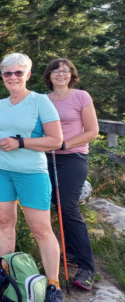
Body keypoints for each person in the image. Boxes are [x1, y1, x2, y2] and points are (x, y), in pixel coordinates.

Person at [0, 53, 65, 302]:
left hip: (32, 173)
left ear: (27, 75)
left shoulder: (40, 102)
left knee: (41, 229)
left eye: (18, 72)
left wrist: (20, 143)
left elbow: (56, 140)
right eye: (7, 73)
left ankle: (53, 284)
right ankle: (6, 271)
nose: (13, 77)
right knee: (4, 222)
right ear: (3, 76)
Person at [44, 58, 99, 291]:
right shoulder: (43, 100)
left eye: (65, 71)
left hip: (72, 156)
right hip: (45, 155)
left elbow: (92, 131)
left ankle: (87, 266)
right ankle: (64, 251)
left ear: (71, 74)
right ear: (49, 75)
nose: (60, 74)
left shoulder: (81, 96)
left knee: (67, 204)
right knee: (47, 203)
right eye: (56, 71)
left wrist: (64, 144)